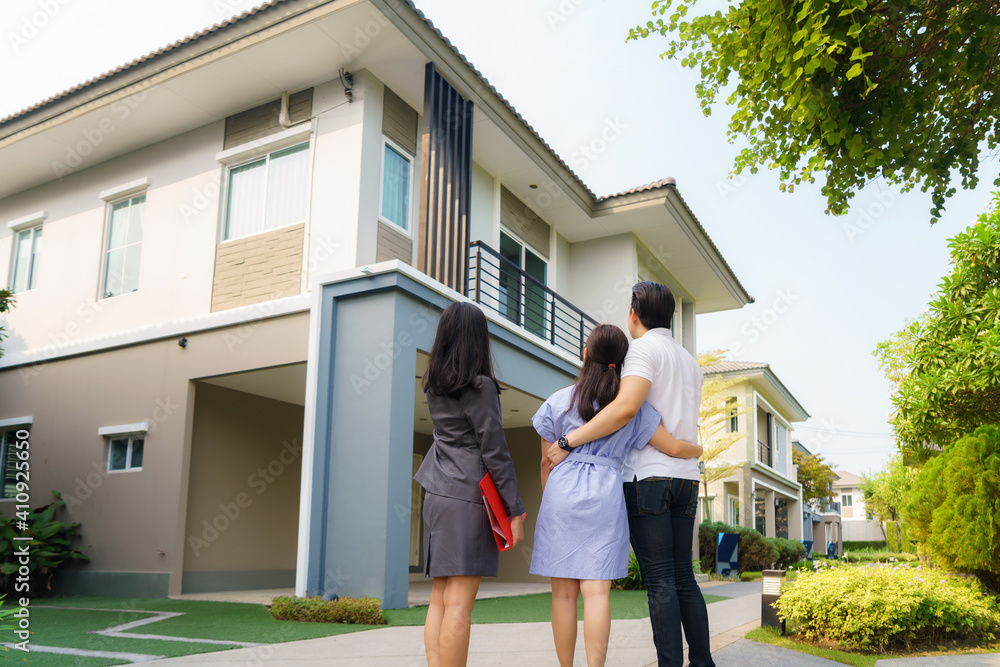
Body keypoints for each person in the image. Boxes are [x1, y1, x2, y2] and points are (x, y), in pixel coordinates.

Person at [546, 282, 714, 667]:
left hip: (650, 478)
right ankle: (703, 662)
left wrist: (569, 441)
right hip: (686, 478)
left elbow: (624, 409)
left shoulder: (641, 350)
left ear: (633, 314)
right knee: (683, 577)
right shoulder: (689, 359)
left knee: (660, 581)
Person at [414, 302, 526, 667]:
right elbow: (496, 452)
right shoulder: (480, 387)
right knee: (460, 603)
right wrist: (515, 511)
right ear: (479, 339)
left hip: (437, 491)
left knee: (439, 598)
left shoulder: (434, 385)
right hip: (467, 496)